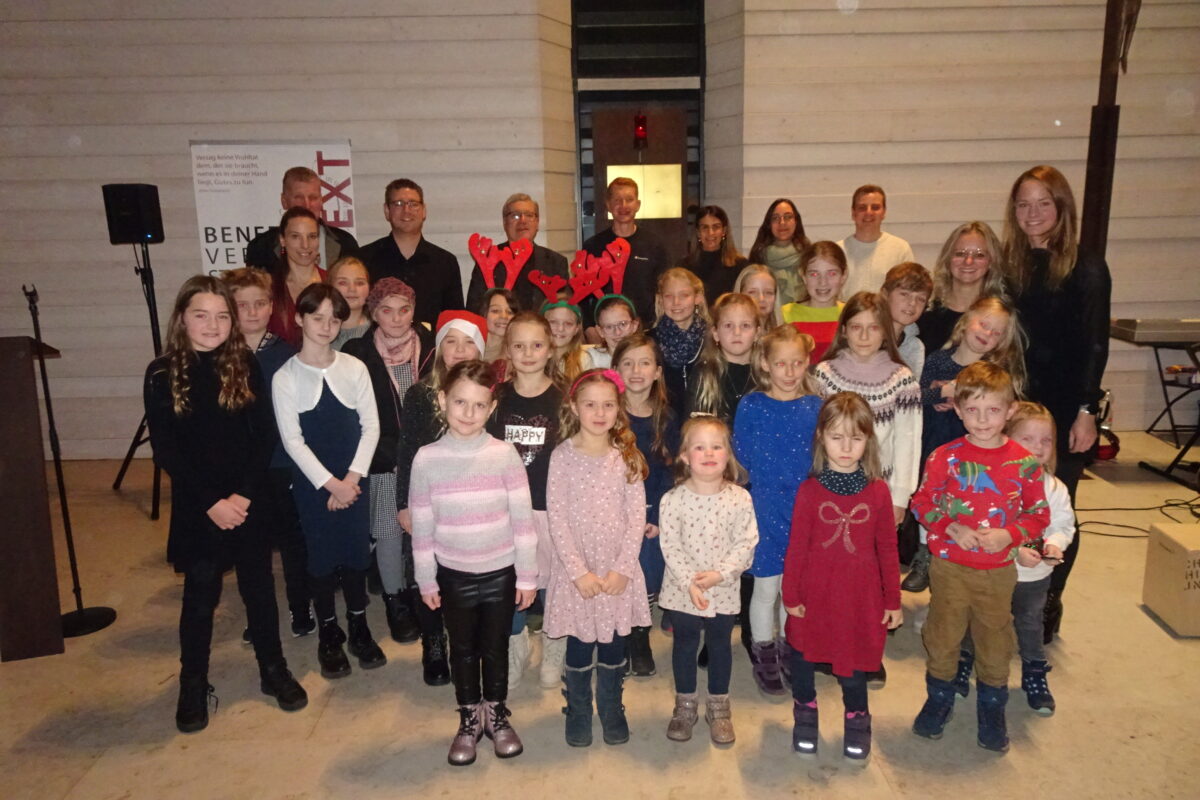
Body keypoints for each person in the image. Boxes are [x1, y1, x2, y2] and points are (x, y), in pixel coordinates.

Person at [145, 276, 307, 734]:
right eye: (201, 315)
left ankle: (272, 668)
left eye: (221, 316)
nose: (213, 325)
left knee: (259, 589)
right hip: (201, 506)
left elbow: (264, 437)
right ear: (182, 318)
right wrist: (212, 502)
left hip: (247, 499)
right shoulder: (161, 373)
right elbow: (167, 451)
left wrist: (243, 495)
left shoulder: (244, 364)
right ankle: (193, 683)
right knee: (200, 597)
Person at [910, 361, 1050, 754]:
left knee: (994, 637)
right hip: (949, 567)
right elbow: (922, 502)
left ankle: (992, 706)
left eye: (993, 410)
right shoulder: (944, 457)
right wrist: (950, 527)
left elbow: (1038, 515)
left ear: (1010, 410)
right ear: (957, 409)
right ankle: (939, 697)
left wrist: (1009, 535)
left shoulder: (1024, 463)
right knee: (943, 633)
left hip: (997, 572)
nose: (983, 420)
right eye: (972, 409)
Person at [1002, 165, 1111, 642]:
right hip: (1015, 401)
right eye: (1023, 204)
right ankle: (1011, 592)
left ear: (1062, 207)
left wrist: (1088, 410)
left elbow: (1095, 343)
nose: (1033, 214)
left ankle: (1050, 597)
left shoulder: (1087, 267)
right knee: (1008, 501)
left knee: (1057, 505)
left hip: (1066, 405)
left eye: (1043, 203)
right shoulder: (1010, 265)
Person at [410, 359, 537, 766]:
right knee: (463, 649)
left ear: (492, 407)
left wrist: (527, 575)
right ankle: (469, 717)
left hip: (500, 573)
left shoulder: (504, 454)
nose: (469, 413)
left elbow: (523, 522)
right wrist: (427, 580)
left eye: (480, 405)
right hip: (454, 575)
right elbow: (422, 528)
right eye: (460, 402)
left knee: (495, 647)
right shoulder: (426, 459)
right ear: (442, 400)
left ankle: (496, 714)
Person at [272, 284, 386, 680]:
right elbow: (293, 442)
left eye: (334, 319)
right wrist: (331, 485)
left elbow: (371, 427)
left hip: (354, 481)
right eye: (317, 317)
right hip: (313, 486)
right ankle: (329, 633)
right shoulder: (286, 378)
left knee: (355, 555)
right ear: (299, 318)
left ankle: (358, 625)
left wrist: (351, 480)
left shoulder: (354, 368)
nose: (326, 326)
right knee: (319, 560)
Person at [783, 392, 902, 761]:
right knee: (803, 658)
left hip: (859, 598)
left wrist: (893, 600)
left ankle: (857, 717)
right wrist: (790, 595)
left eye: (856, 438)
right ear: (821, 437)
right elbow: (797, 547)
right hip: (814, 593)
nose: (846, 448)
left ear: (868, 440)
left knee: (854, 664)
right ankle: (805, 713)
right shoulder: (810, 490)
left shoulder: (878, 491)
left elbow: (888, 549)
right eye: (837, 437)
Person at [545, 369, 651, 748]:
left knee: (614, 643)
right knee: (579, 643)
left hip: (616, 570)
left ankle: (610, 705)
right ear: (574, 407)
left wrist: (623, 568)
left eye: (608, 405)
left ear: (618, 409)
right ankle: (577, 708)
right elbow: (557, 518)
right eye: (590, 404)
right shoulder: (562, 457)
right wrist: (578, 572)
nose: (600, 412)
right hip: (579, 572)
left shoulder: (626, 457)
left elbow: (636, 517)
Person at [952, 401, 1074, 716]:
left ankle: (1034, 673)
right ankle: (963, 663)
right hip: (993, 570)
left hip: (1034, 578)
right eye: (1027, 439)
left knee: (1030, 623)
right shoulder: (994, 482)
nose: (1038, 447)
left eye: (1046, 440)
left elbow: (1062, 526)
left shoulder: (1055, 488)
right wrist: (1015, 549)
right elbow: (984, 524)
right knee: (977, 619)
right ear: (1007, 439)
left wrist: (1054, 545)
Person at [906, 296, 1026, 593]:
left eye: (996, 332)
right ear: (966, 321)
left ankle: (965, 553)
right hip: (935, 442)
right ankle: (925, 554)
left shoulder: (993, 372)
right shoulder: (937, 360)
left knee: (967, 500)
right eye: (984, 324)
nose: (987, 334)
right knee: (931, 496)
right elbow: (916, 396)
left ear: (1002, 341)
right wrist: (942, 393)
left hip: (974, 449)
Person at [395, 310, 489, 686]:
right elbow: (407, 451)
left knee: (467, 575)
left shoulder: (488, 394)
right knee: (426, 572)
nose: (460, 350)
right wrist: (403, 504)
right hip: (428, 500)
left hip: (472, 502)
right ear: (438, 349)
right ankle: (433, 641)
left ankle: (469, 640)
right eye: (451, 341)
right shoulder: (420, 394)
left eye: (469, 343)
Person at [341, 278, 435, 643]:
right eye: (386, 310)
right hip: (384, 457)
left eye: (404, 309)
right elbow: (353, 413)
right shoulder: (358, 352)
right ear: (373, 313)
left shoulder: (430, 345)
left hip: (427, 455)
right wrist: (386, 455)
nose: (396, 318)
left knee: (426, 526)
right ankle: (395, 599)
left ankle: (420, 590)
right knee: (389, 530)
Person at [222, 268, 312, 641]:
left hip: (282, 463)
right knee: (251, 547)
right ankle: (258, 615)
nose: (252, 312)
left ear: (271, 306)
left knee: (292, 539)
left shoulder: (287, 354)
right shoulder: (221, 355)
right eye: (242, 305)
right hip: (241, 470)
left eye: (259, 303)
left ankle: (300, 605)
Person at [733, 325, 823, 696]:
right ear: (765, 364)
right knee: (766, 587)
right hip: (763, 507)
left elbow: (823, 457)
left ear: (807, 363)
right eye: (781, 363)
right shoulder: (752, 405)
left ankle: (790, 647)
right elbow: (741, 454)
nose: (789, 372)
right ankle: (764, 651)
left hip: (804, 508)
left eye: (797, 363)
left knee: (793, 589)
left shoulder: (816, 407)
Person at [660, 417, 758, 745]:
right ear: (685, 456)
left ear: (728, 454)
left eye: (717, 447)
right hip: (682, 589)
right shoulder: (672, 500)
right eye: (699, 447)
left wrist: (721, 574)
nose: (709, 453)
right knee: (685, 643)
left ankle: (719, 706)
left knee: (719, 645)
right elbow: (670, 545)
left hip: (723, 587)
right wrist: (690, 581)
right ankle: (685, 704)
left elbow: (746, 542)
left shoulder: (739, 498)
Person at [484, 312, 563, 690]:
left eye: (536, 345)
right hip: (506, 512)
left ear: (550, 349)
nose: (528, 353)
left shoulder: (564, 400)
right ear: (507, 350)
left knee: (552, 583)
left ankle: (555, 645)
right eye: (519, 345)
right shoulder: (496, 398)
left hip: (550, 509)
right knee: (511, 582)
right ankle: (516, 645)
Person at [613, 333, 683, 677]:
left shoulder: (666, 418)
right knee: (619, 573)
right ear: (615, 370)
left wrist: (655, 516)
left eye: (644, 363)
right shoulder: (607, 414)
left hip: (651, 512)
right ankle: (628, 635)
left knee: (646, 573)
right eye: (627, 363)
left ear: (657, 371)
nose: (636, 370)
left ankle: (640, 631)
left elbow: (670, 473)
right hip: (611, 513)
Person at [360, 178, 464, 329]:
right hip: (374, 343)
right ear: (387, 210)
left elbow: (455, 320)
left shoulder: (445, 262)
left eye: (413, 204)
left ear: (424, 211)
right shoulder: (363, 259)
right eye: (398, 204)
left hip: (431, 344)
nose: (406, 210)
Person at [582, 177, 668, 328]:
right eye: (617, 200)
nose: (623, 205)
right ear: (608, 205)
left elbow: (665, 290)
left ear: (638, 205)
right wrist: (589, 327)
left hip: (645, 329)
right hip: (606, 330)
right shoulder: (593, 246)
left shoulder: (654, 245)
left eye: (629, 199)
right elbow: (582, 292)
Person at [465, 193, 570, 313]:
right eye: (515, 215)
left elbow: (564, 308)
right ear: (505, 222)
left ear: (537, 222)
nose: (522, 220)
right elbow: (474, 309)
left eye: (529, 215)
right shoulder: (488, 259)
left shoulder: (555, 262)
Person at [245, 166, 359, 271]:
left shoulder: (346, 244)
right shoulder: (260, 248)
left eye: (313, 198)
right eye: (299, 198)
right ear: (284, 201)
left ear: (321, 201)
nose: (307, 205)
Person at [919, 222, 1008, 354]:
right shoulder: (923, 310)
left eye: (979, 255)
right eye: (960, 254)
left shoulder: (1002, 315)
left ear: (991, 261)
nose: (968, 261)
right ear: (948, 258)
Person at [687, 292, 760, 424]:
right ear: (715, 333)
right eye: (728, 325)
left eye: (745, 325)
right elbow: (692, 425)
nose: (737, 332)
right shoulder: (704, 374)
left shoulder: (765, 374)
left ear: (757, 333)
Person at [651, 267, 710, 417]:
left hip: (704, 424)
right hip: (663, 422)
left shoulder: (713, 339)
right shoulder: (649, 342)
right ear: (660, 299)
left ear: (697, 298)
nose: (676, 302)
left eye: (684, 295)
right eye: (669, 296)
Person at [837, 185, 915, 299]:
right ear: (853, 213)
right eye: (862, 208)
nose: (869, 212)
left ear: (883, 212)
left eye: (875, 207)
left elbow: (910, 291)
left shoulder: (900, 249)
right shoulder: (838, 251)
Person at [268, 207, 326, 347]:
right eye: (295, 236)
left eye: (312, 236)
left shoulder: (333, 282)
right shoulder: (268, 288)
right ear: (282, 240)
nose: (305, 245)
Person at [781, 241, 848, 361]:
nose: (823, 282)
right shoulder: (787, 315)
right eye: (814, 274)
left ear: (844, 275)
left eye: (832, 273)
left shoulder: (851, 314)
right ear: (803, 276)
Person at [680, 205, 748, 304]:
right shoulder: (684, 267)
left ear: (724, 231)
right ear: (698, 232)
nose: (710, 233)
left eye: (716, 227)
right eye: (705, 227)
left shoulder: (740, 266)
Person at [747, 198, 810, 304]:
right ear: (769, 224)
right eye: (775, 218)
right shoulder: (758, 258)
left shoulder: (809, 256)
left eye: (788, 217)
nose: (782, 222)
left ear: (796, 221)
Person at [880, 261, 934, 383]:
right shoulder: (864, 334)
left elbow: (911, 390)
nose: (912, 303)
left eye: (921, 299)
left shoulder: (916, 347)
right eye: (904, 294)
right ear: (885, 294)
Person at [542, 298, 593, 385]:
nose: (560, 329)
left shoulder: (584, 360)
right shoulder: (532, 357)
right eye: (553, 322)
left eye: (568, 323)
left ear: (576, 329)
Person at [328, 256, 372, 350]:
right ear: (330, 287)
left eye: (359, 283)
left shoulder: (379, 332)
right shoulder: (321, 332)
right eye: (343, 283)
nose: (352, 289)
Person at [588, 293, 640, 369]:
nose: (617, 332)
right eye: (609, 327)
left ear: (634, 325)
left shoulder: (646, 356)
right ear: (600, 331)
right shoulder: (591, 360)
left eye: (623, 324)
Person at [732, 263, 783, 328]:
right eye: (752, 292)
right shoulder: (730, 333)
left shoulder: (783, 333)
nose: (761, 299)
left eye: (768, 293)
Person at [479, 288, 518, 364]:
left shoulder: (516, 352)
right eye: (495, 311)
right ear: (484, 313)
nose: (504, 316)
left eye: (509, 312)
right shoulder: (470, 345)